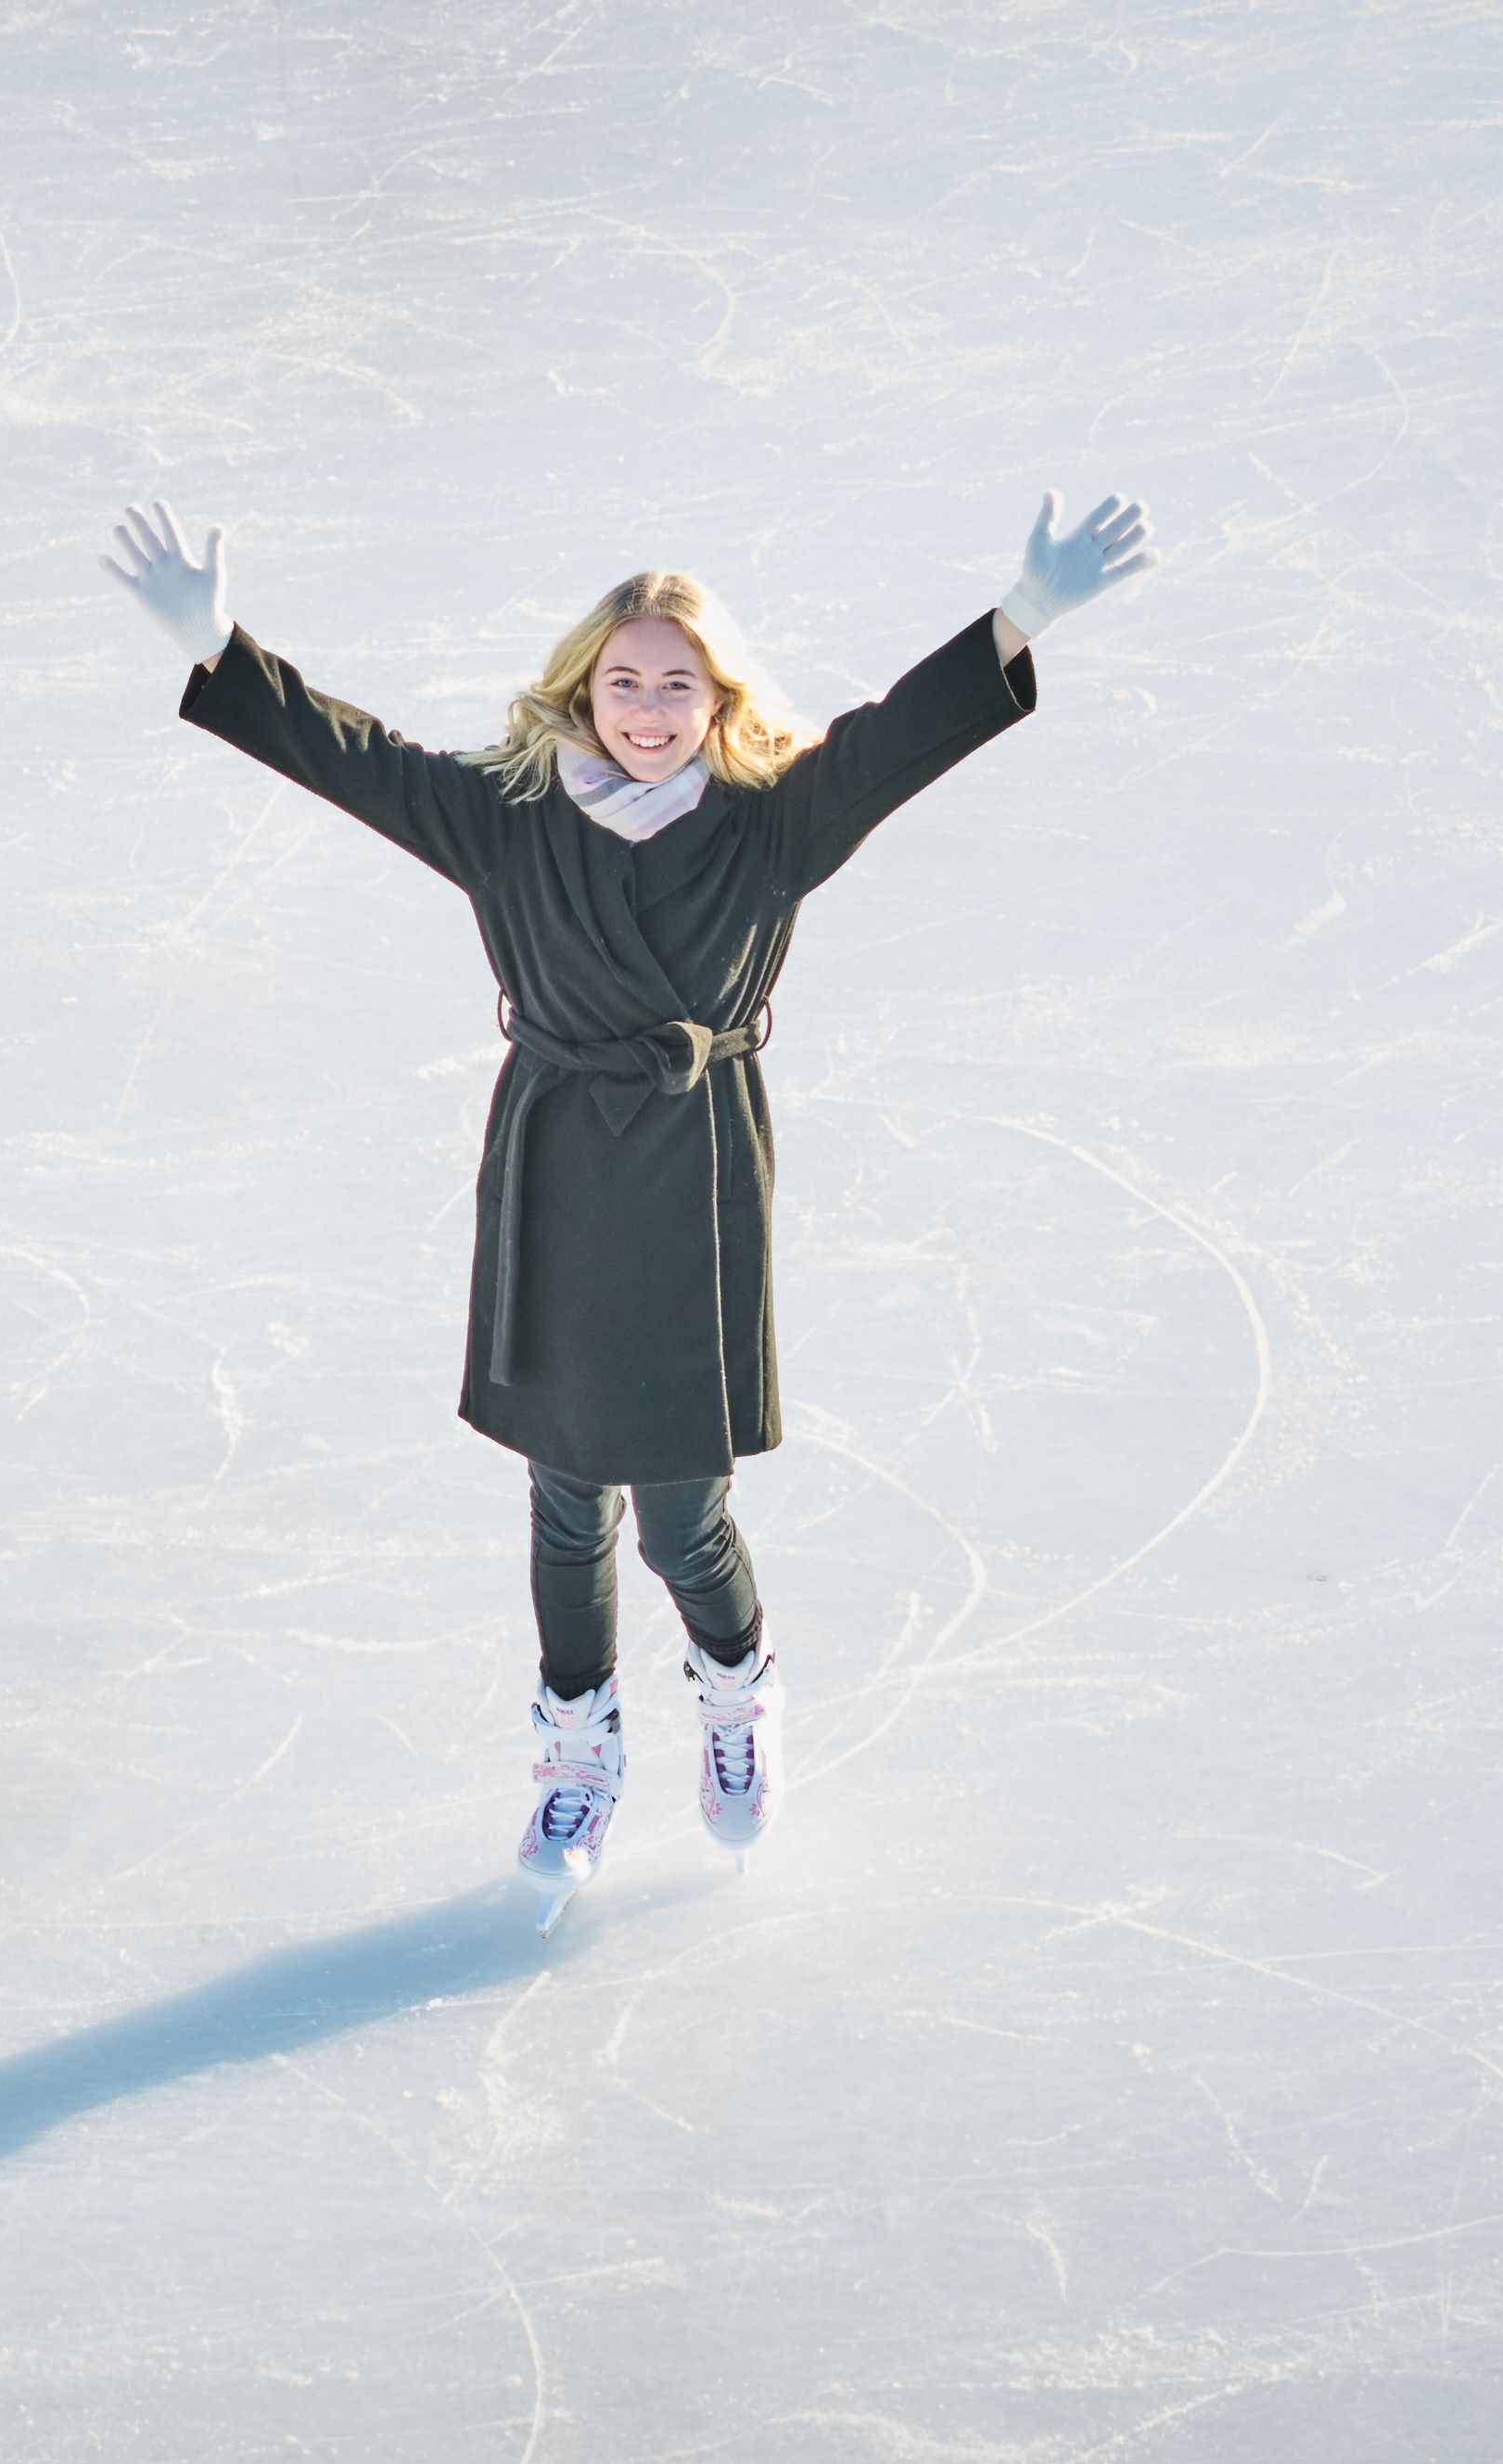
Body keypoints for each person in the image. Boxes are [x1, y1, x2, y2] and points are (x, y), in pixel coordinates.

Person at [99, 492, 1154, 1926]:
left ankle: (736, 1690)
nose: (649, 709)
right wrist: (216, 644)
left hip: (696, 1167)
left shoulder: (774, 828)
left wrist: (1020, 617)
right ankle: (576, 1745)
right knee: (560, 1494)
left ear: (716, 699)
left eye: (677, 684)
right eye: (625, 682)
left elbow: (906, 735)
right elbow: (353, 758)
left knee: (679, 1514)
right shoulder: (509, 822)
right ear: (580, 689)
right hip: (555, 1167)